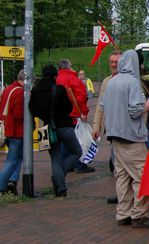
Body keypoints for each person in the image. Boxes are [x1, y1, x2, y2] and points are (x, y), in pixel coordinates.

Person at [101, 50, 149, 228]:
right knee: (144, 176)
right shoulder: (133, 82)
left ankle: (123, 213)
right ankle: (140, 214)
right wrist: (148, 106)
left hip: (115, 136)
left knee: (123, 176)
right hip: (131, 136)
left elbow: (103, 105)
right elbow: (135, 111)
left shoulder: (111, 82)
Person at [29, 65, 79, 197]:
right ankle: (60, 177)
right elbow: (68, 107)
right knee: (77, 152)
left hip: (47, 128)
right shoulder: (59, 89)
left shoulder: (36, 91)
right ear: (55, 76)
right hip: (64, 126)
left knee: (55, 158)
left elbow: (32, 109)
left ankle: (61, 188)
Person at [92, 51, 121, 204]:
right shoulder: (106, 81)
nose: (114, 64)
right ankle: (121, 193)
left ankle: (126, 194)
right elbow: (100, 105)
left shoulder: (129, 80)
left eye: (116, 61)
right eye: (112, 61)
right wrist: (96, 125)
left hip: (125, 130)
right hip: (111, 129)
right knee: (115, 162)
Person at [56, 59, 93, 173]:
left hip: (59, 116)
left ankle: (66, 164)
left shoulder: (56, 79)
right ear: (68, 67)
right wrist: (84, 113)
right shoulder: (73, 79)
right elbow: (81, 98)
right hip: (73, 115)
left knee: (64, 142)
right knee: (78, 141)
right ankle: (78, 164)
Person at [0, 70, 25, 195]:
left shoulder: (8, 89)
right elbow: (18, 114)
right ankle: (2, 184)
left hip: (8, 128)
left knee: (17, 157)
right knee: (12, 159)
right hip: (16, 130)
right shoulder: (20, 92)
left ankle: (12, 181)